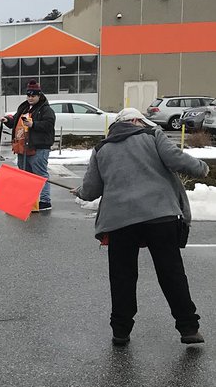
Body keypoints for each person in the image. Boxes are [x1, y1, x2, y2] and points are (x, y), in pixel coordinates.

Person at [73, 107, 208, 347]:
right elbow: (176, 159)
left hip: (120, 222)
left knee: (122, 276)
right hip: (160, 216)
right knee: (171, 273)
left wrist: (81, 192)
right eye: (142, 122)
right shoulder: (152, 136)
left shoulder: (101, 149)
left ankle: (121, 331)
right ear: (135, 121)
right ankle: (188, 328)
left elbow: (92, 189)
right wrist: (201, 168)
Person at [1, 80, 55, 211]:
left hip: (38, 147)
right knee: (25, 174)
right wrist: (8, 120)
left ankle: (44, 201)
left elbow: (49, 124)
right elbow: (15, 120)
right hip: (22, 147)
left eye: (33, 96)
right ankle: (29, 199)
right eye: (28, 95)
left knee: (40, 174)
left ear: (39, 95)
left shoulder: (46, 109)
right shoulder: (24, 107)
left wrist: (34, 124)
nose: (30, 98)